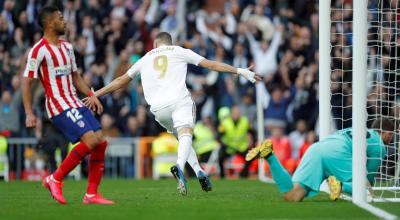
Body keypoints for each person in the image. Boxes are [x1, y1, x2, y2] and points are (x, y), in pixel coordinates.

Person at [87, 32, 261, 195]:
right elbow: (211, 64)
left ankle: (199, 171)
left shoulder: (145, 58)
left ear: (155, 44)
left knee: (182, 137)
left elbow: (120, 80)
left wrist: (95, 94)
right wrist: (240, 71)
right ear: (170, 43)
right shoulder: (179, 51)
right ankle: (179, 165)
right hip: (179, 101)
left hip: (158, 110)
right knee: (186, 134)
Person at [21, 6, 113, 205]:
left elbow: (75, 77)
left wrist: (91, 94)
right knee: (90, 140)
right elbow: (26, 82)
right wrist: (29, 112)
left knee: (100, 141)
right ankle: (55, 179)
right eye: (60, 18)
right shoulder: (38, 50)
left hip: (74, 102)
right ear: (50, 23)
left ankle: (91, 195)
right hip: (58, 105)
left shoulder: (67, 47)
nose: (65, 22)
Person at [245, 118, 394, 202]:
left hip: (318, 147)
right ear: (386, 133)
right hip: (338, 151)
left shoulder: (359, 131)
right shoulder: (379, 143)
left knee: (292, 195)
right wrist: (370, 192)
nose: (392, 139)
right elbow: (368, 180)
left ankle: (270, 156)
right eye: (392, 135)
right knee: (365, 190)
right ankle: (339, 185)